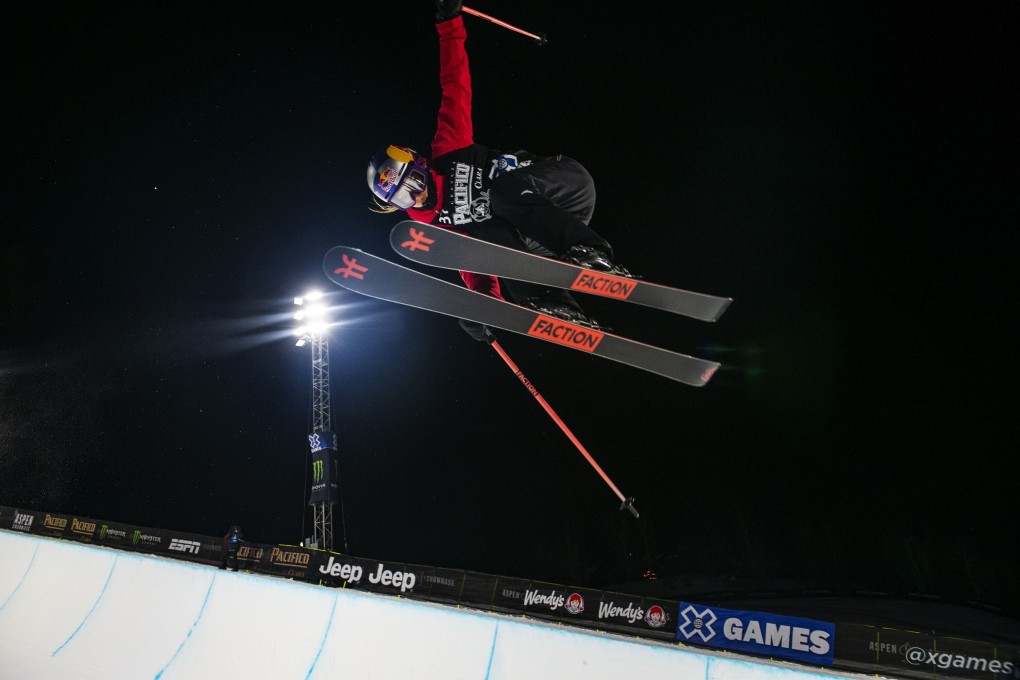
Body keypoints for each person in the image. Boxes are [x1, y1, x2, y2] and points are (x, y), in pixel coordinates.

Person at [367, 0, 629, 339]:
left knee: (499, 197)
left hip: (560, 185)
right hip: (538, 236)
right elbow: (476, 269)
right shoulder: (439, 230)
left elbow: (455, 86)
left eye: (413, 181)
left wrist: (449, 25)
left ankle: (590, 249)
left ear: (419, 162)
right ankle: (552, 303)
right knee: (486, 235)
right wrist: (483, 307)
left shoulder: (449, 150)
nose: (415, 196)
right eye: (403, 197)